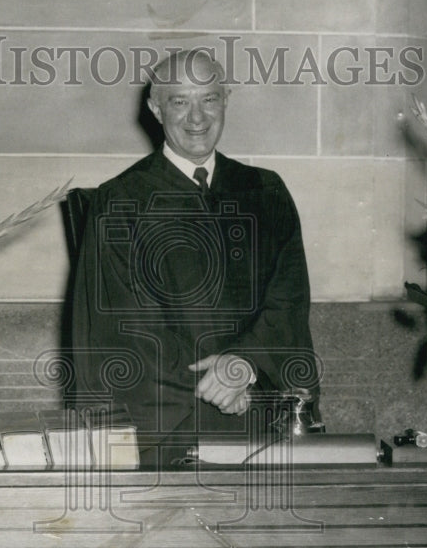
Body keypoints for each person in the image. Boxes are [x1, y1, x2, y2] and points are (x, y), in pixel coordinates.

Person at [68, 49, 320, 464]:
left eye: (208, 98)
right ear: (155, 108)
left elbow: (289, 301)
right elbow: (120, 327)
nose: (196, 117)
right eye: (179, 101)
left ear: (227, 99)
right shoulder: (122, 200)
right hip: (171, 424)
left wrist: (244, 366)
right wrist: (214, 386)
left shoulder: (266, 190)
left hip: (261, 404)